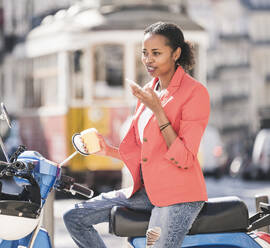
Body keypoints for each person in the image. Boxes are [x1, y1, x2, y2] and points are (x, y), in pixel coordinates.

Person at [63, 21, 210, 248]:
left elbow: (185, 158)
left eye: (156, 53)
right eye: (144, 53)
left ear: (176, 53)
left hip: (178, 197)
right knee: (74, 217)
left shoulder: (194, 93)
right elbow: (146, 154)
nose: (148, 59)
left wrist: (158, 112)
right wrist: (106, 150)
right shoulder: (150, 90)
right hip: (147, 192)